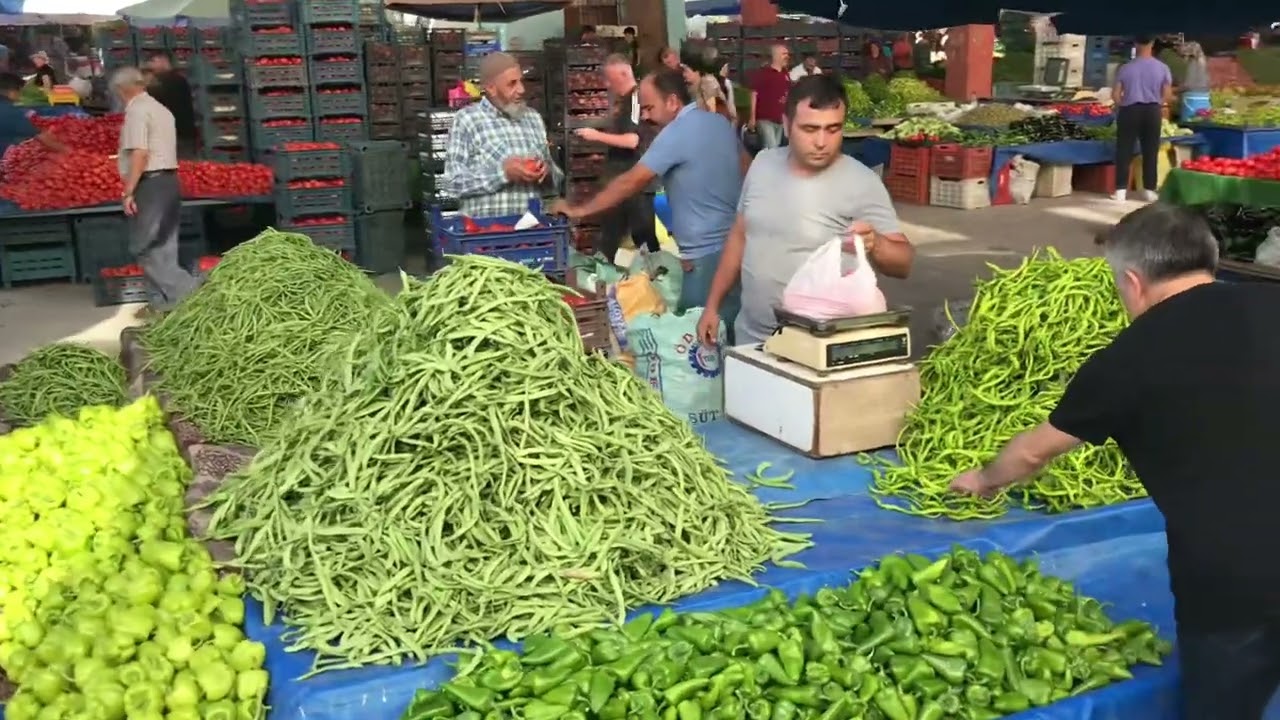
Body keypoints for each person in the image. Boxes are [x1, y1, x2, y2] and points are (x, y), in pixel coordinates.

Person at [948, 202, 1280, 718]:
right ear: (1210, 261)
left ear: (1132, 281)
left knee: (1225, 702)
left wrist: (985, 479)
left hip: (1235, 582)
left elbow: (1035, 450)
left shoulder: (1127, 358)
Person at [696, 75, 914, 347]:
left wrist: (876, 243)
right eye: (810, 129)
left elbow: (903, 262)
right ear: (786, 125)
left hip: (818, 348)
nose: (822, 142)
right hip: (750, 338)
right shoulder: (763, 164)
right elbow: (740, 236)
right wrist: (712, 306)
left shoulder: (861, 182)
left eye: (833, 129)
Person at [550, 69, 743, 321]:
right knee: (728, 328)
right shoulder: (717, 122)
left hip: (704, 257)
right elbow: (747, 166)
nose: (644, 116)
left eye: (649, 107)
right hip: (735, 251)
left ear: (673, 101)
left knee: (698, 338)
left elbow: (631, 180)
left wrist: (580, 210)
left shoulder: (676, 132)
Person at [111, 66, 199, 314]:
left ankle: (190, 295)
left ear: (122, 89)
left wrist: (128, 190)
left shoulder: (137, 111)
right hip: (169, 181)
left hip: (151, 183)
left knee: (145, 246)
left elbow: (140, 152)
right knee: (165, 245)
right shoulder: (160, 109)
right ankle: (160, 305)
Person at [444, 52, 563, 218]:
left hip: (531, 234)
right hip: (485, 235)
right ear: (491, 88)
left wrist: (547, 172)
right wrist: (503, 173)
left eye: (521, 81)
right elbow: (452, 183)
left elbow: (556, 180)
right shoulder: (468, 120)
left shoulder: (533, 118)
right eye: (512, 84)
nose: (521, 89)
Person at [572, 54, 659, 260]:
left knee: (643, 235)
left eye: (611, 79)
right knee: (611, 233)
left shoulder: (637, 99)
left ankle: (659, 276)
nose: (609, 85)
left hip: (636, 180)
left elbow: (632, 140)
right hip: (623, 180)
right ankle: (603, 271)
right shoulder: (625, 101)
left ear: (624, 73)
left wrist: (596, 136)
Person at [1111, 35, 1172, 202]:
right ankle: (1149, 190)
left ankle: (1121, 190)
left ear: (1136, 44)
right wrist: (1159, 103)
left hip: (1129, 110)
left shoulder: (1125, 68)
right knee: (1150, 150)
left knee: (1124, 149)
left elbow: (1115, 95)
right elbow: (1167, 94)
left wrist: (1122, 106)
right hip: (1152, 110)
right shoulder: (1162, 68)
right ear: (1152, 43)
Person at [0, 72, 67, 155]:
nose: (20, 96)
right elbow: (41, 137)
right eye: (20, 92)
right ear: (12, 92)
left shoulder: (7, 108)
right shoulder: (11, 112)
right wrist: (67, 151)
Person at [146, 53, 197, 159]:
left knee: (181, 164)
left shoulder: (167, 81)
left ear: (164, 61)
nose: (150, 65)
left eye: (153, 61)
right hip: (182, 132)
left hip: (176, 134)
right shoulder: (178, 79)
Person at [747, 45, 791, 150]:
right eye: (784, 54)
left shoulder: (786, 74)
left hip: (780, 119)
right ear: (776, 56)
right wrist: (752, 117)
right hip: (765, 118)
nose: (787, 56)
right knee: (771, 148)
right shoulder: (763, 73)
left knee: (775, 148)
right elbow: (753, 94)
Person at [716, 61, 739, 127]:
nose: (726, 70)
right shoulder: (713, 82)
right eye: (725, 68)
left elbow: (731, 102)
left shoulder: (727, 83)